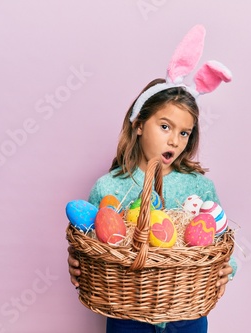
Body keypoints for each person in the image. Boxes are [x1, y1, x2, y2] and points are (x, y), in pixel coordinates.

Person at [67, 77, 236, 333]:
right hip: (127, 317)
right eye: (165, 127)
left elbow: (221, 241)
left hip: (186, 317)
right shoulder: (108, 187)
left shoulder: (200, 188)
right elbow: (91, 242)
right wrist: (77, 261)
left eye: (184, 133)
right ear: (139, 125)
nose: (175, 141)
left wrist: (228, 267)